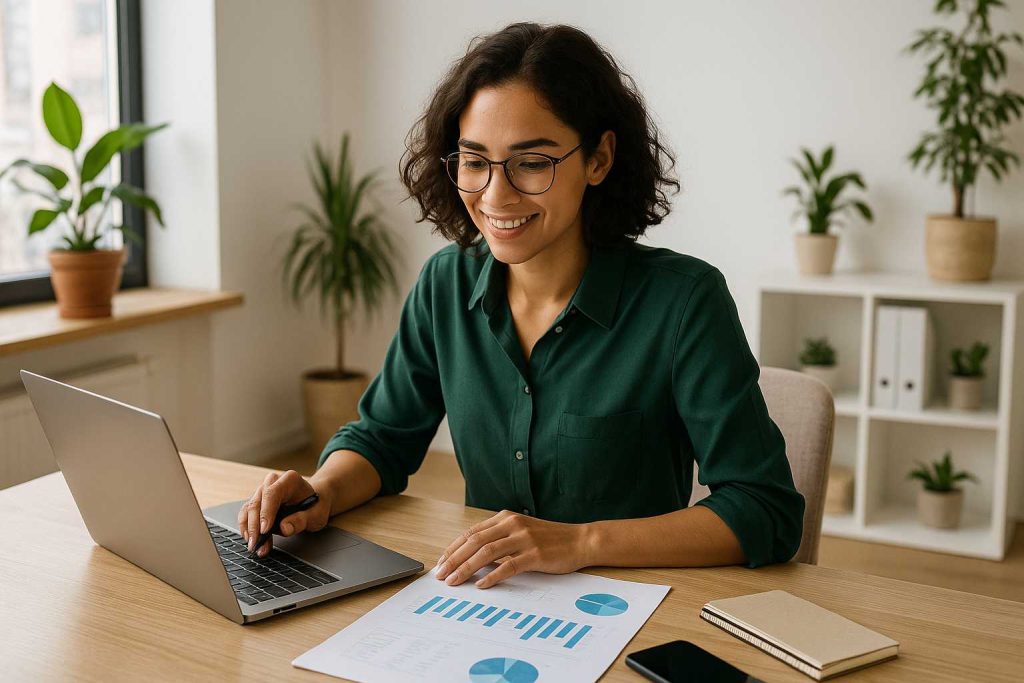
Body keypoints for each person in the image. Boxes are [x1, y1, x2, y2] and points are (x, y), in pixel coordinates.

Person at [240, 22, 805, 589]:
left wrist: (581, 542)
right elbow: (383, 438)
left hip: (633, 608)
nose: (495, 195)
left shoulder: (684, 302)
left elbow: (765, 509)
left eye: (532, 163)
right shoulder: (446, 284)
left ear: (599, 159)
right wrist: (323, 489)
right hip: (488, 601)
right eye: (474, 160)